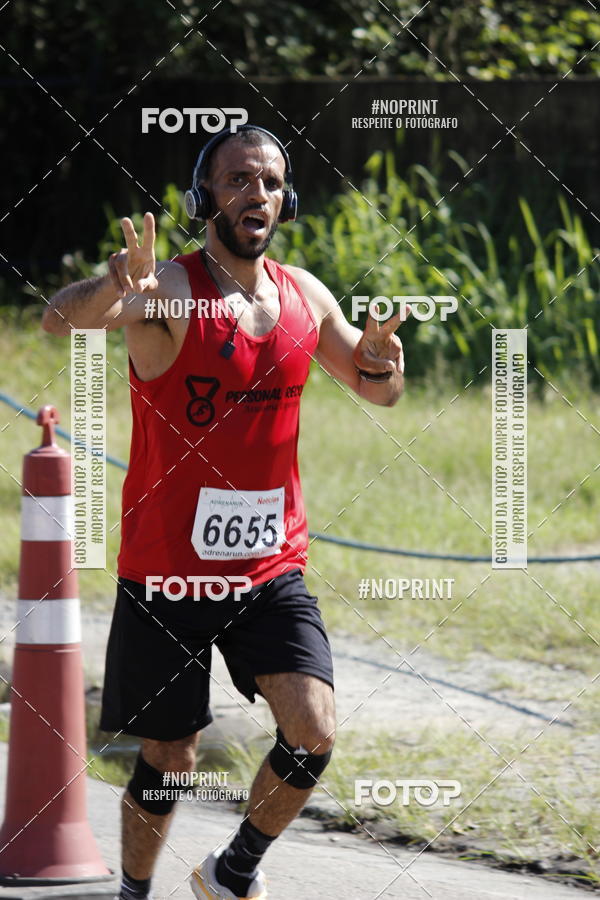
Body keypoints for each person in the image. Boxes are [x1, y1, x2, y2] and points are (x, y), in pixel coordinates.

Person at [42, 125, 408, 900]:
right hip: (169, 570)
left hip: (270, 565)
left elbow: (374, 388)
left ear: (289, 199)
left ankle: (231, 871)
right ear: (204, 197)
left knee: (313, 730)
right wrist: (114, 286)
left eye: (272, 182)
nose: (258, 196)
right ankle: (136, 893)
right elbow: (58, 318)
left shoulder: (306, 294)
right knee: (170, 757)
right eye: (239, 180)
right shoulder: (169, 290)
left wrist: (382, 365)